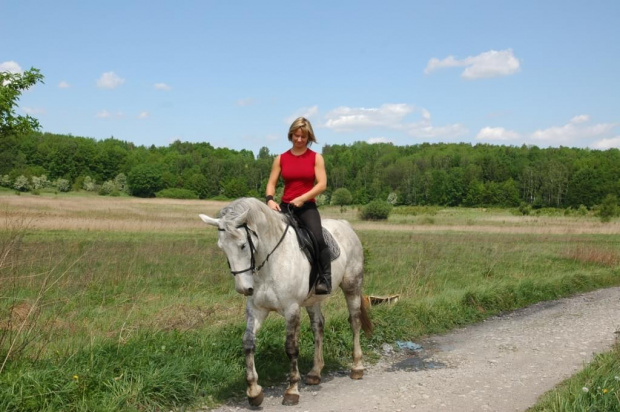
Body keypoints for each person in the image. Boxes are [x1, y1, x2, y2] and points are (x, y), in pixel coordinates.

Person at [265, 117, 331, 295]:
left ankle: (324, 278)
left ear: (309, 137)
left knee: (317, 238)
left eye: (303, 137)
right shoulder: (281, 158)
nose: (300, 140)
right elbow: (271, 183)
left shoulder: (316, 158)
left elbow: (322, 184)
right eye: (296, 136)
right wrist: (270, 199)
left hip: (307, 207)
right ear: (291, 135)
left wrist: (303, 198)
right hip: (285, 206)